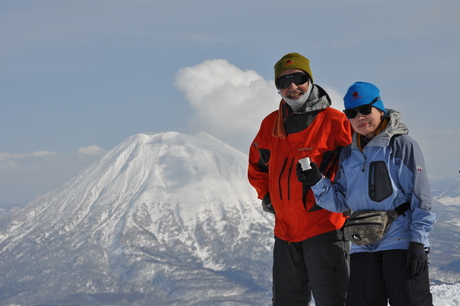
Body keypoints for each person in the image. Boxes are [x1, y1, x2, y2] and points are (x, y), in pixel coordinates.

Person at [297, 81, 436, 305]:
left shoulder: (401, 145)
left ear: (379, 108)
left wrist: (418, 243)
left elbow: (421, 198)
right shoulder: (348, 154)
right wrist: (317, 182)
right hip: (362, 245)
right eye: (352, 113)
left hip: (399, 242)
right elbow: (341, 202)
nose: (359, 117)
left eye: (364, 110)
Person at [248, 52, 353, 305]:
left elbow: (357, 170)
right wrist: (267, 195)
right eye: (283, 82)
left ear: (310, 80)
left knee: (333, 300)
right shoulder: (271, 124)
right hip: (285, 231)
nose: (292, 87)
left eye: (298, 78)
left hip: (325, 227)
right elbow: (256, 165)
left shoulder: (335, 122)